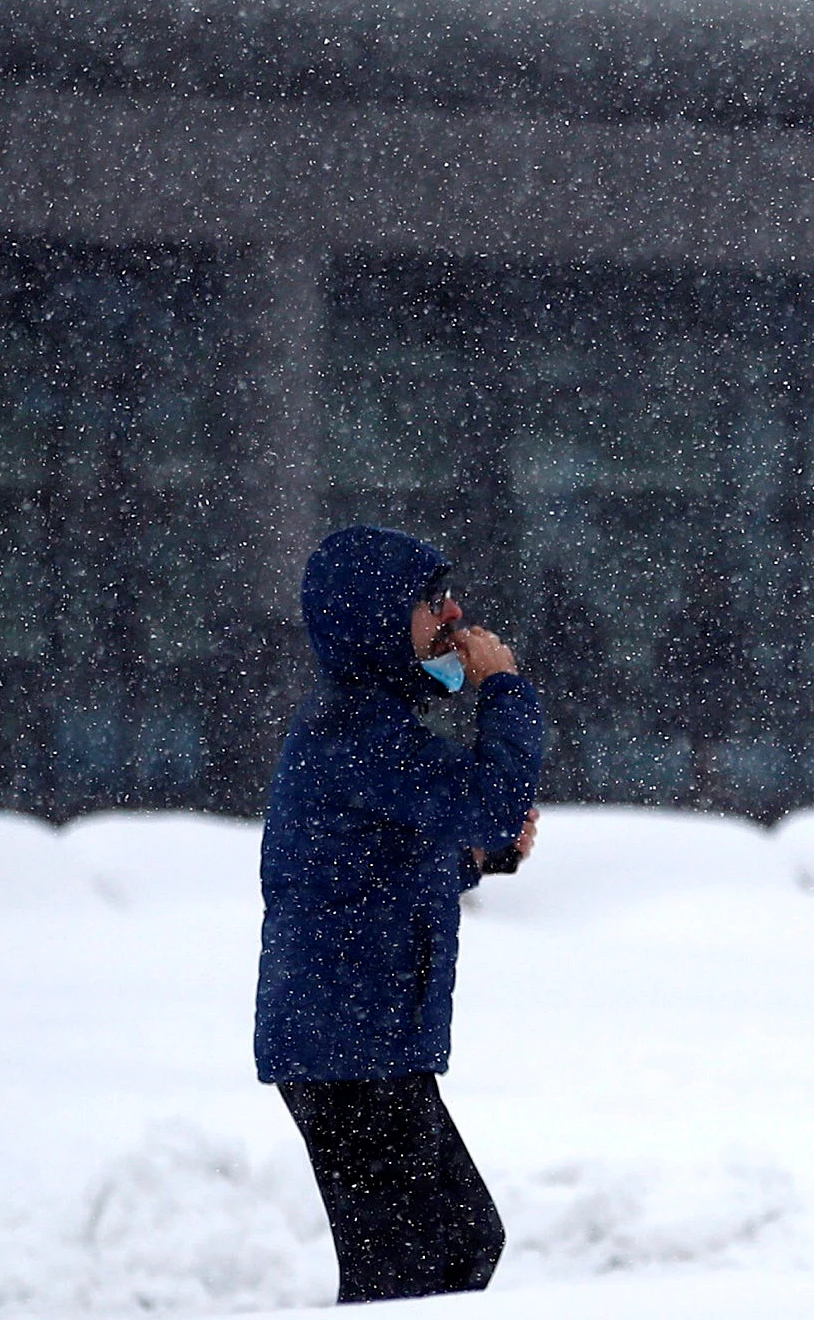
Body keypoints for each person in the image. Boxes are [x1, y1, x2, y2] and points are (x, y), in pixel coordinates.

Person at [256, 525, 543, 1303]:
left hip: (365, 1041)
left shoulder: (366, 729)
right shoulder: (355, 732)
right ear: (378, 620)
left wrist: (475, 857)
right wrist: (504, 690)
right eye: (430, 601)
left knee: (455, 1248)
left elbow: (372, 869)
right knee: (412, 1270)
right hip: (348, 1049)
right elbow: (490, 802)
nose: (452, 613)